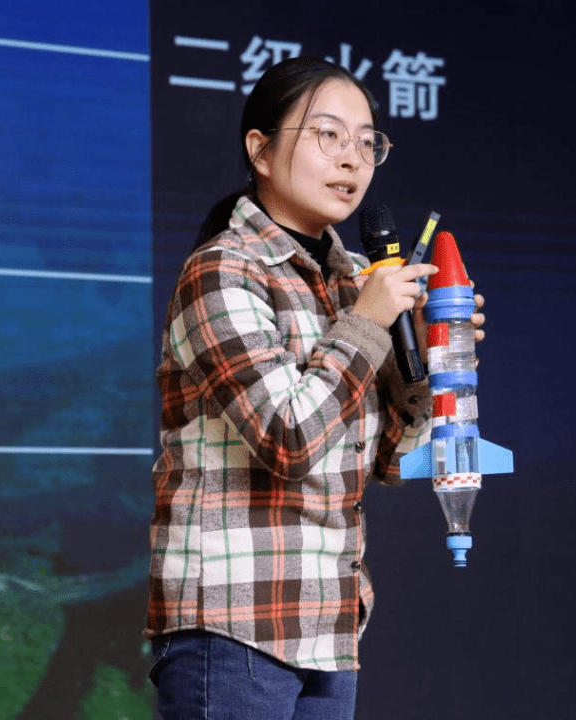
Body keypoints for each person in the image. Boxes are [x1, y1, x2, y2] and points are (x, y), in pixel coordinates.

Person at [146, 56, 485, 719]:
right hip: (233, 620)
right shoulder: (222, 271)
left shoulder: (355, 279)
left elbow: (392, 462)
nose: (352, 158)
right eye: (328, 134)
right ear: (260, 151)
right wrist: (367, 324)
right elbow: (290, 440)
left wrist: (424, 358)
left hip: (327, 624)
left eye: (367, 142)